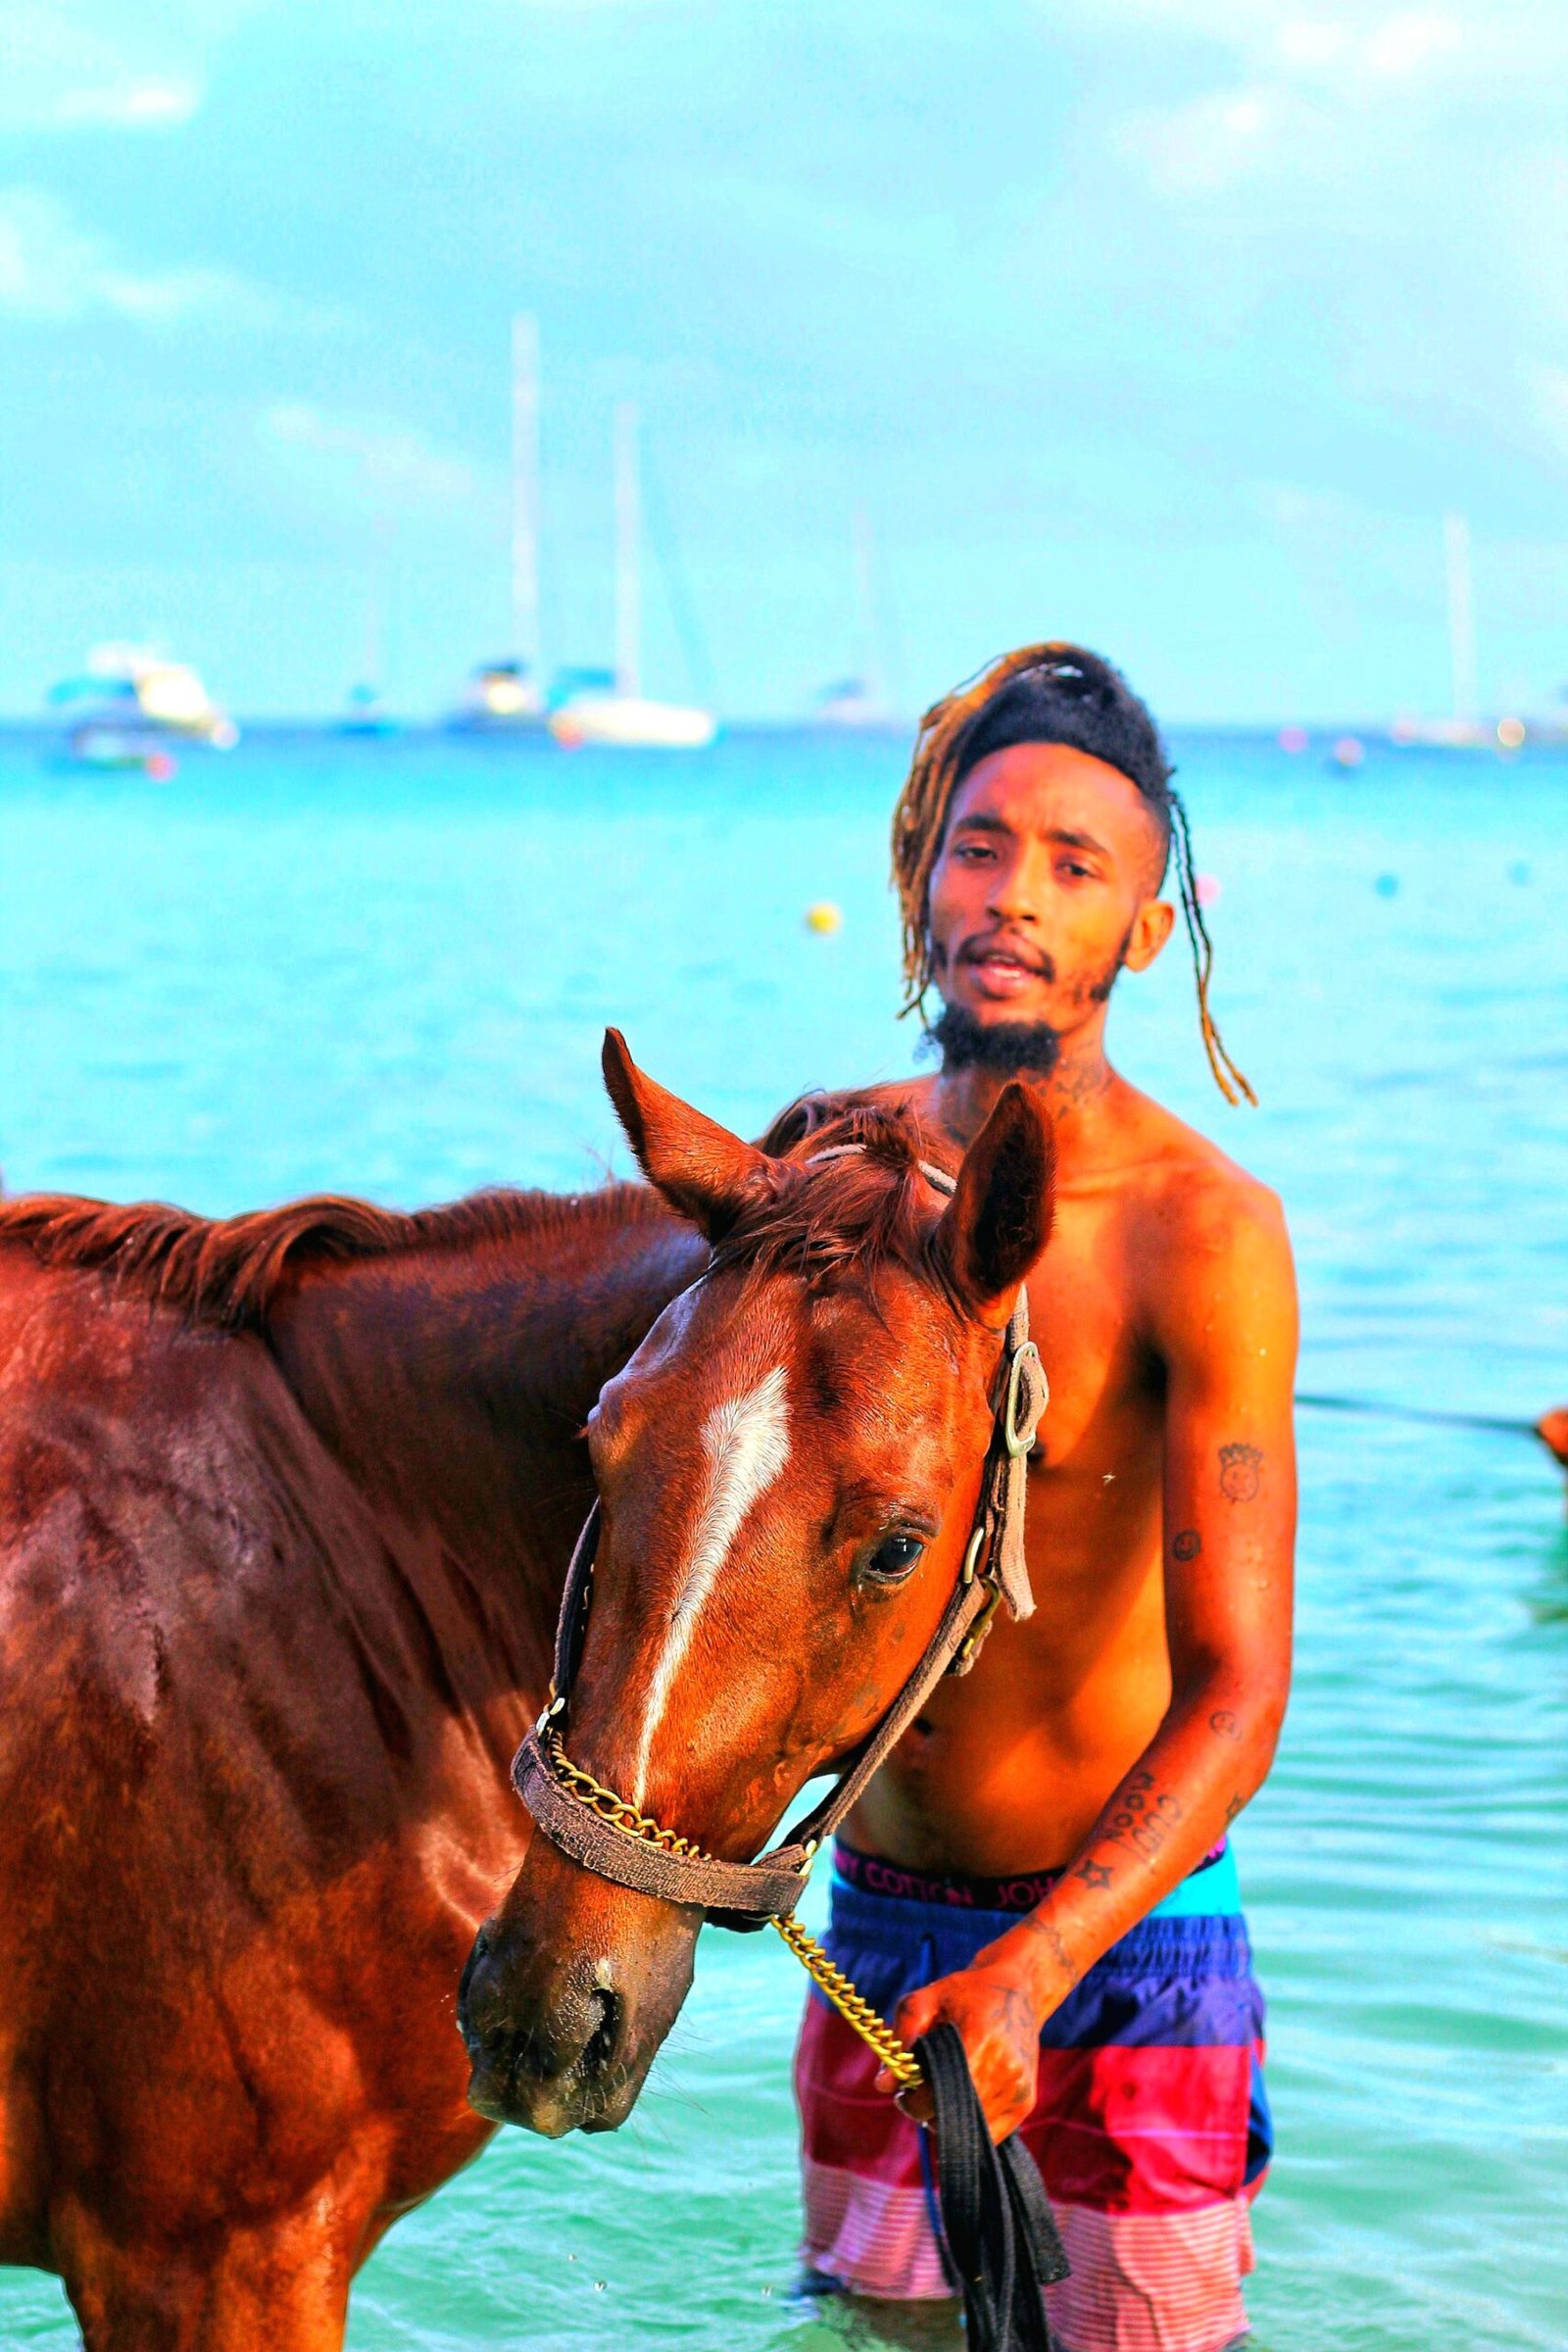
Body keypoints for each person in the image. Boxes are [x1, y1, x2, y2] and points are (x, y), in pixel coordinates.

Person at [789, 643, 1298, 2352]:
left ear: (1147, 931)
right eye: (984, 845)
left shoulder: (1198, 1233)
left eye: (1078, 867)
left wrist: (1038, 1965)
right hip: (873, 1939)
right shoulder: (831, 1177)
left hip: (1128, 1954)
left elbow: (1238, 1694)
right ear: (924, 870)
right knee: (882, 2345)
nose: (1015, 897)